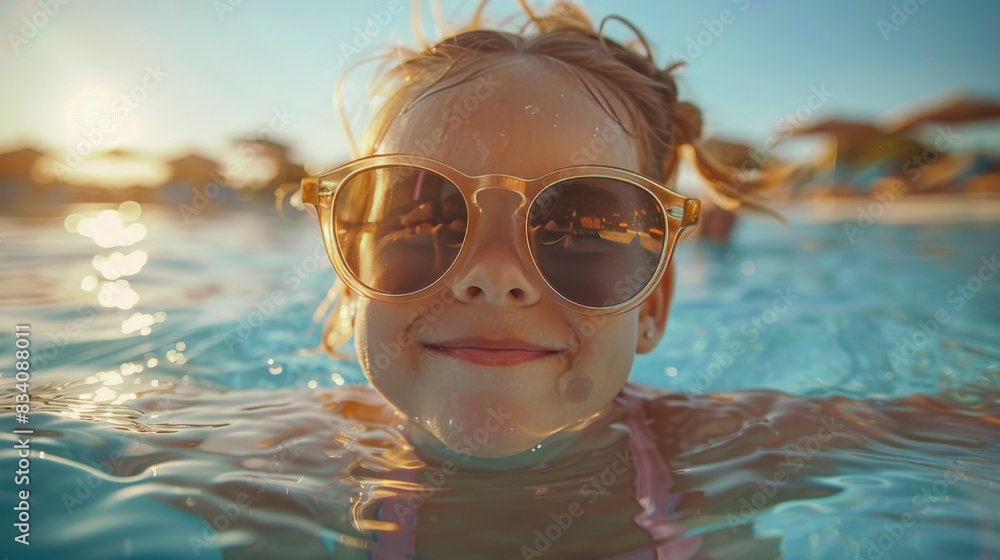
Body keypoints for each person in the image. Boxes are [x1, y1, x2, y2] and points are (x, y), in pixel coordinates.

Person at [295, 2, 909, 558]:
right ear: (354, 280)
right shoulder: (287, 467)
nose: (493, 276)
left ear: (652, 304)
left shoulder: (717, 451)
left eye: (578, 228)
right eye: (424, 218)